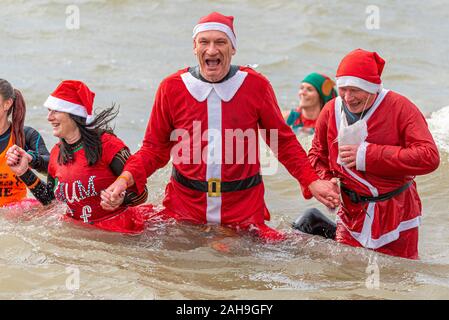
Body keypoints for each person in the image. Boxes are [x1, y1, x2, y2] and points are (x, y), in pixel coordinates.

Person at [100, 12, 340, 242]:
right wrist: (123, 181)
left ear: (233, 48)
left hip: (242, 208)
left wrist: (312, 181)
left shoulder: (256, 85)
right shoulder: (171, 88)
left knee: (255, 259)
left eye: (220, 42)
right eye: (204, 42)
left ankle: (312, 226)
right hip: (185, 205)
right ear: (195, 47)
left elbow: (283, 142)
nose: (212, 50)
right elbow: (153, 149)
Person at [294, 49, 440, 259]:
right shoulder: (330, 110)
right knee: (348, 277)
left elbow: (429, 157)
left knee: (396, 279)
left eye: (355, 90)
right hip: (351, 212)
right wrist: (325, 181)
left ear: (372, 88)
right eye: (343, 89)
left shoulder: (400, 108)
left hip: (396, 212)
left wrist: (368, 155)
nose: (348, 97)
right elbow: (317, 154)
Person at [6, 80, 149, 234]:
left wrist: (122, 199)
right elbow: (51, 202)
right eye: (49, 111)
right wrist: (24, 172)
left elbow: (142, 194)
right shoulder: (56, 153)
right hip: (79, 234)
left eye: (55, 111)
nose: (49, 117)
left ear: (74, 114)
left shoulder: (107, 145)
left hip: (118, 233)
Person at [0, 79, 50, 208]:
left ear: (7, 104)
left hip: (16, 217)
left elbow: (51, 167)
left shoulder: (25, 136)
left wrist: (30, 158)